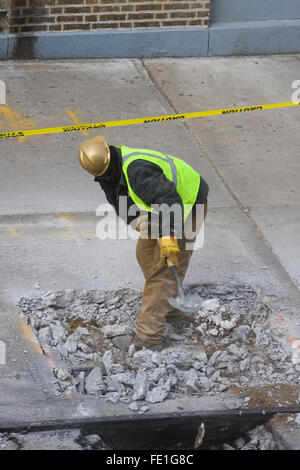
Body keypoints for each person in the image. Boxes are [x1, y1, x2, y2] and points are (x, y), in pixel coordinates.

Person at [78, 135, 209, 352]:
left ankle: (149, 337)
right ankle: (169, 304)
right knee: (146, 254)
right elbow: (119, 201)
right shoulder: (108, 173)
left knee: (162, 273)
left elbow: (171, 200)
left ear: (109, 157)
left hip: (187, 204)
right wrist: (139, 222)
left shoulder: (137, 170)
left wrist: (168, 238)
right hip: (161, 209)